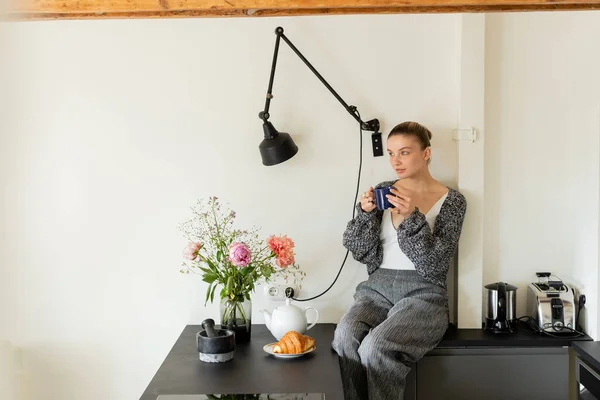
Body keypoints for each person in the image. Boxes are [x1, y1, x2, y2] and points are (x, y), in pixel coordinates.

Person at [332, 121, 467, 400]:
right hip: (376, 290)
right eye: (391, 153)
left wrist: (410, 219)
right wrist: (366, 214)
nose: (396, 161)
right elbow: (360, 251)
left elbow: (434, 265)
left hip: (424, 294)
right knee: (345, 336)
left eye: (404, 152)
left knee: (375, 347)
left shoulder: (452, 200)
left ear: (426, 153)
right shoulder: (385, 190)